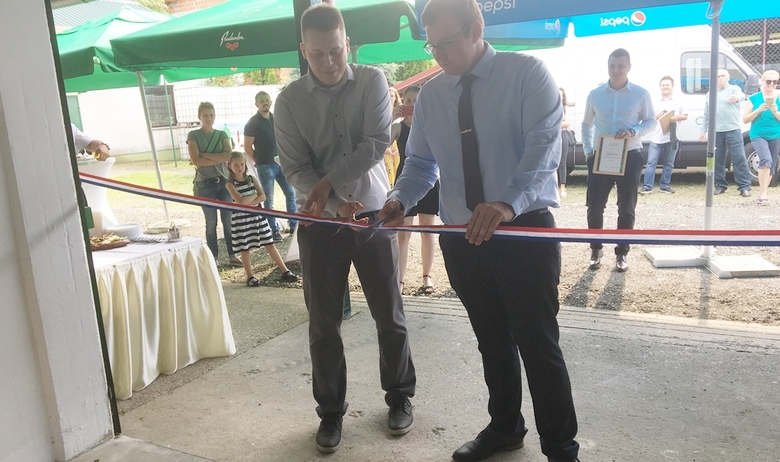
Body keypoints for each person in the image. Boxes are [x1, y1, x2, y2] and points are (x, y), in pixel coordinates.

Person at [381, 0, 580, 460]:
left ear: (476, 29)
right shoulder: (431, 96)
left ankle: (561, 448)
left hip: (523, 231)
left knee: (537, 342)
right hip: (462, 236)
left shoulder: (527, 74)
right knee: (490, 338)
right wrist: (399, 200)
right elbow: (421, 164)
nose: (439, 54)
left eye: (447, 43)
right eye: (432, 46)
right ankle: (506, 426)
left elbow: (543, 151)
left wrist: (506, 204)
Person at [274, 4, 416, 454]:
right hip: (320, 222)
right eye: (318, 54)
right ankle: (331, 411)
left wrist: (327, 183)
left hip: (373, 215)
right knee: (323, 324)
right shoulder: (288, 101)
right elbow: (295, 168)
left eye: (335, 51)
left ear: (347, 43)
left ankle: (400, 396)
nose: (329, 62)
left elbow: (376, 143)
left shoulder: (373, 80)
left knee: (389, 314)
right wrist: (333, 202)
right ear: (304, 50)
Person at [582, 48, 656, 272]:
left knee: (626, 207)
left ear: (629, 67)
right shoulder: (595, 94)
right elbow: (586, 124)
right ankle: (596, 249)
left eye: (621, 66)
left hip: (630, 155)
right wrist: (588, 151)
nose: (616, 70)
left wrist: (633, 131)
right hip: (601, 156)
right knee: (595, 205)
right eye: (612, 66)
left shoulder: (640, 93)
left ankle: (622, 252)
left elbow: (651, 121)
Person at [391, 85, 439, 295]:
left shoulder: (431, 125)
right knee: (403, 233)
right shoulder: (398, 127)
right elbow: (379, 145)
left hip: (429, 181)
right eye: (408, 101)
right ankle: (400, 279)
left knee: (427, 231)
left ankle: (427, 276)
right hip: (405, 182)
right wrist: (391, 118)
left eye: (416, 101)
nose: (411, 105)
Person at [225, 151, 299, 285]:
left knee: (269, 243)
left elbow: (263, 197)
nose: (240, 167)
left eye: (242, 164)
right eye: (236, 165)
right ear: (229, 166)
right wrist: (254, 195)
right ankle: (250, 276)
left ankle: (285, 270)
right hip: (241, 219)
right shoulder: (230, 184)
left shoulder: (251, 179)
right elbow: (240, 202)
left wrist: (249, 199)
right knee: (245, 248)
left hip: (257, 216)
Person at [188, 101, 241, 267]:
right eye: (205, 115)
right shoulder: (193, 135)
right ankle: (214, 257)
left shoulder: (222, 134)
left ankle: (233, 254)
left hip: (224, 182)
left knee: (228, 221)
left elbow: (228, 156)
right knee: (211, 223)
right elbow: (196, 160)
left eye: (211, 115)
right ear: (199, 117)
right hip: (205, 184)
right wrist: (215, 157)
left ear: (215, 116)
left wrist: (204, 155)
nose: (208, 118)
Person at [244, 91, 297, 241]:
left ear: (271, 102)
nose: (265, 103)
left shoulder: (277, 118)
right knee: (268, 199)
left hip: (282, 163)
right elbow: (247, 147)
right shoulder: (253, 123)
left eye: (267, 100)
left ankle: (294, 225)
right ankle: (273, 230)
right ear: (256, 104)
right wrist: (258, 160)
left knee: (291, 194)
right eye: (261, 101)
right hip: (265, 165)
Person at [699, 69, 752, 197]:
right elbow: (706, 114)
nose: (720, 78)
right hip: (716, 131)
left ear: (728, 77)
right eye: (717, 76)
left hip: (733, 129)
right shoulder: (710, 94)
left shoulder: (734, 89)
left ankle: (744, 187)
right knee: (717, 159)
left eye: (722, 76)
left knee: (739, 158)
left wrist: (736, 98)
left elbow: (742, 96)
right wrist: (703, 131)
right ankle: (720, 185)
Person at [640, 76, 689, 194]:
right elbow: (649, 117)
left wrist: (675, 117)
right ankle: (647, 187)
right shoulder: (654, 101)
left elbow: (685, 116)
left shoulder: (679, 101)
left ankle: (664, 186)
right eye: (663, 85)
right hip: (656, 138)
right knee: (651, 162)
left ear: (672, 86)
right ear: (660, 87)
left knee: (669, 163)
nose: (665, 87)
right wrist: (659, 115)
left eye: (667, 85)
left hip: (672, 137)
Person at [743, 70, 780, 204]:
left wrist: (775, 111)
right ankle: (763, 193)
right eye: (768, 81)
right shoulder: (754, 98)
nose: (771, 84)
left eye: (775, 82)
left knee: (772, 164)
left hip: (775, 134)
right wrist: (758, 110)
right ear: (762, 82)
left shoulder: (779, 98)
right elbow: (745, 119)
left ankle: (762, 193)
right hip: (758, 134)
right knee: (766, 159)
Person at [384, 87, 402, 187]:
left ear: (395, 97)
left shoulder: (400, 112)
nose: (390, 98)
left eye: (392, 96)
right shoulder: (382, 112)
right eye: (388, 95)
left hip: (397, 147)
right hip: (387, 146)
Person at [557, 87, 573, 198]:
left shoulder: (566, 108)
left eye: (561, 95)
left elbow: (567, 123)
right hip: (553, 135)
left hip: (563, 134)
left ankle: (563, 187)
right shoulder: (549, 106)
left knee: (562, 161)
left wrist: (554, 124)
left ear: (563, 97)